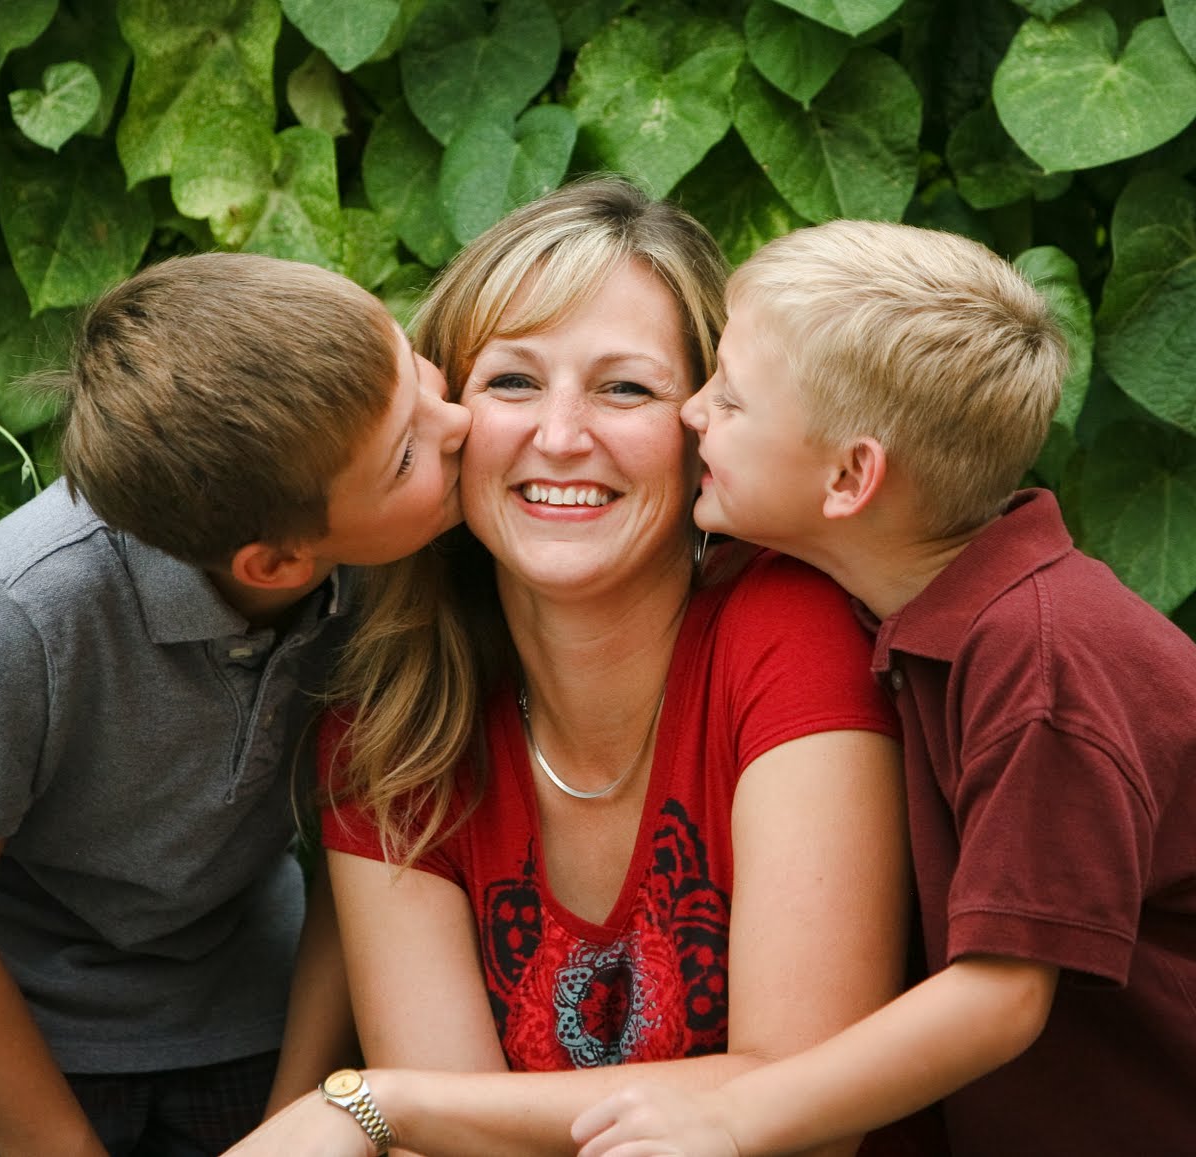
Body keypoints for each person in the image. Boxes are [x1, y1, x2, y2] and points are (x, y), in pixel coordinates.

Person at [570, 220, 1196, 1157]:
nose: (691, 412)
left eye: (731, 399)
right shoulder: (911, 603)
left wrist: (732, 1117)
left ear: (852, 476)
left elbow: (1001, 995)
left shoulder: (1041, 658)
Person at [226, 179, 918, 1157]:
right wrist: (407, 1106)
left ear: (704, 427)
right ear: (447, 420)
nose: (559, 434)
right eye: (512, 381)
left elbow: (805, 1107)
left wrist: (371, 1103)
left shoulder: (786, 634)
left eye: (623, 387)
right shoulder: (393, 733)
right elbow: (458, 1140)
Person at [0, 253, 471, 1157]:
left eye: (420, 375)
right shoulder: (32, 601)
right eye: (409, 452)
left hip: (214, 960)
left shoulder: (382, 565)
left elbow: (350, 859)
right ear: (276, 564)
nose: (464, 420)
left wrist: (296, 1117)